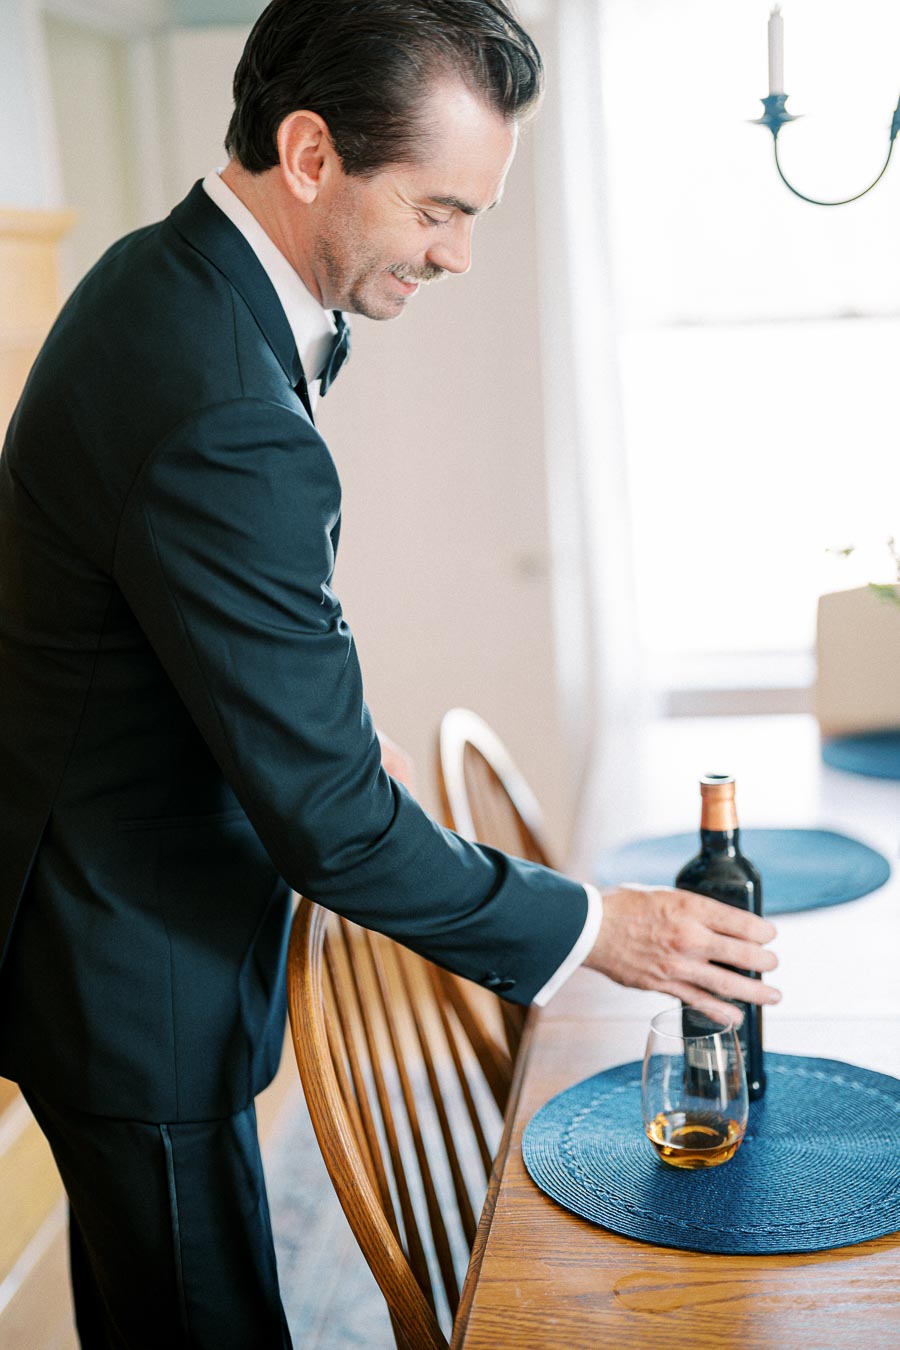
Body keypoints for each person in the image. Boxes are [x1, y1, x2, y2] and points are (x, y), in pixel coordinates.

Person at [0, 2, 779, 1345]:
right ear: (310, 153)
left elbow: (216, 610)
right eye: (440, 209)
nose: (461, 254)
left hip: (111, 902)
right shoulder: (217, 391)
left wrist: (335, 734)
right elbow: (336, 832)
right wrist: (607, 928)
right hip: (124, 953)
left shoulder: (170, 282)